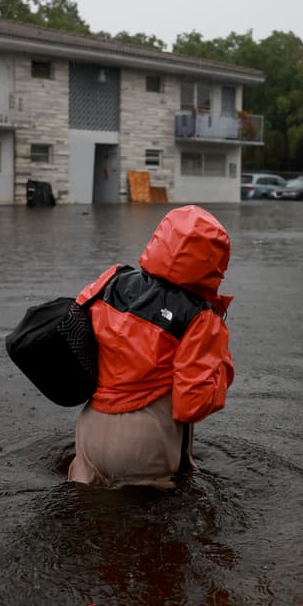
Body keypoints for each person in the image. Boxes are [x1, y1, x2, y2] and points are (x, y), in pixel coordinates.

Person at [68, 205, 234, 489]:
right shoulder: (200, 317)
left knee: (90, 519)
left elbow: (73, 332)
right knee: (150, 529)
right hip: (145, 442)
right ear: (216, 263)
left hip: (89, 432)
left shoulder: (111, 279)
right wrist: (222, 366)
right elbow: (193, 404)